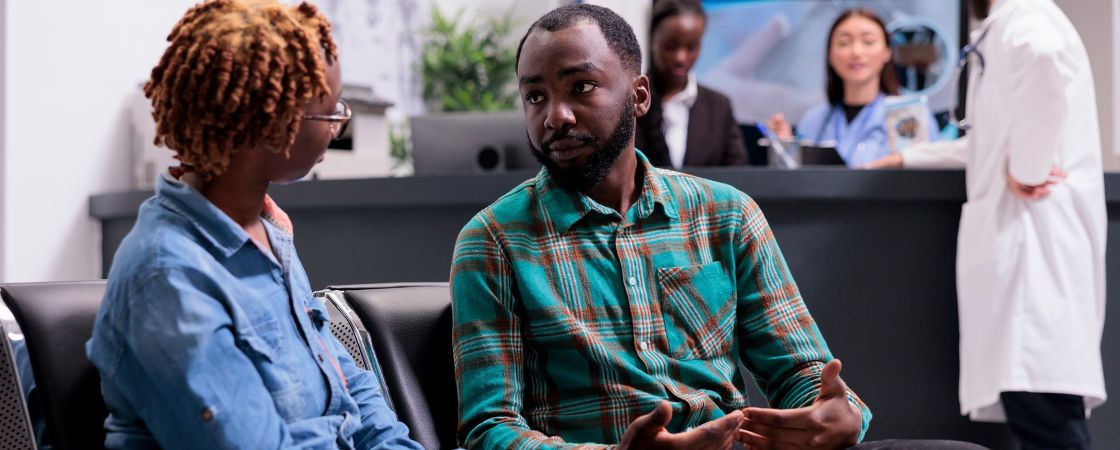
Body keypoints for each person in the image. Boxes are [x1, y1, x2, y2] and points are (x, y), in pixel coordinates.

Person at [451, 4, 987, 449]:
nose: (556, 116)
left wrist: (839, 415)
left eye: (582, 87)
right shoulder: (493, 241)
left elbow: (804, 374)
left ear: (639, 96)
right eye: (535, 96)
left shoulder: (725, 215)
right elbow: (488, 429)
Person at [84, 1, 423, 448]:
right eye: (331, 112)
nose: (339, 126)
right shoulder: (167, 278)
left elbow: (347, 388)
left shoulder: (266, 231)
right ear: (271, 125)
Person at [866, 0, 1106, 448]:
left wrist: (1030, 169)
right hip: (1020, 255)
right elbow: (987, 143)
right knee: (1040, 414)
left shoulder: (1028, 23)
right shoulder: (1007, 27)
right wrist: (908, 155)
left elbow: (1042, 57)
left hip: (1033, 252)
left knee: (1048, 420)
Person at [766, 9, 939, 167]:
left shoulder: (909, 115)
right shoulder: (813, 121)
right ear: (830, 55)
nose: (856, 52)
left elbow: (924, 178)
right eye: (844, 43)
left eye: (868, 41)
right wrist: (786, 147)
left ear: (887, 52)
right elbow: (798, 186)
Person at [635, 0, 747, 169]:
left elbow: (740, 177)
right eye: (671, 47)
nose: (681, 57)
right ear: (652, 40)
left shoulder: (719, 107)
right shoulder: (630, 101)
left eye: (691, 47)